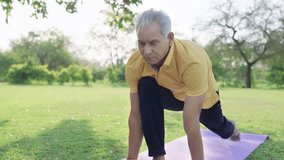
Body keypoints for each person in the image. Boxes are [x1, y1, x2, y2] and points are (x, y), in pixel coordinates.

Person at [125, 9, 240, 160]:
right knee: (146, 85)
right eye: (141, 43)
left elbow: (190, 122)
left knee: (220, 127)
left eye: (153, 43)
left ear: (170, 38)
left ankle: (231, 129)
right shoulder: (135, 64)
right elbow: (136, 115)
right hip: (171, 95)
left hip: (203, 100)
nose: (146, 51)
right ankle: (158, 156)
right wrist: (131, 158)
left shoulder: (192, 60)